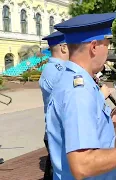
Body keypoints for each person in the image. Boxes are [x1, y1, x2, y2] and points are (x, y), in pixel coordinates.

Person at [46, 13, 116, 180]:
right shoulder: (79, 92)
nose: (108, 51)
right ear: (94, 47)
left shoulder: (79, 81)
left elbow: (102, 126)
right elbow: (82, 165)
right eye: (107, 45)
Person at [39, 30, 69, 180]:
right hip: (60, 132)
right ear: (64, 48)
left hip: (52, 130)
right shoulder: (61, 71)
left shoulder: (50, 68)